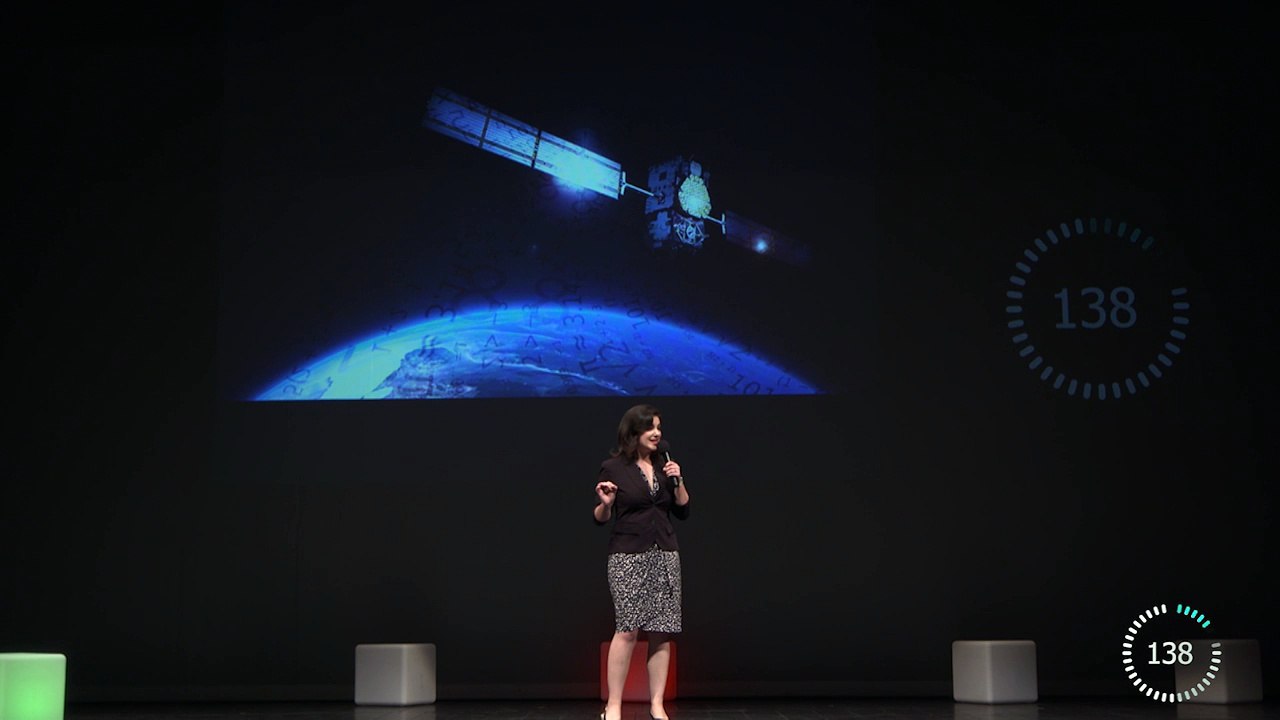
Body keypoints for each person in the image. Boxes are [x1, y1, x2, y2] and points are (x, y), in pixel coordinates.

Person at [594, 403, 691, 720]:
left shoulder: (665, 466)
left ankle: (657, 704)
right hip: (627, 555)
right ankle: (614, 706)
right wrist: (606, 504)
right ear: (633, 433)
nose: (657, 434)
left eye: (659, 428)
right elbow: (601, 518)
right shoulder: (613, 468)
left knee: (662, 630)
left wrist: (678, 480)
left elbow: (682, 509)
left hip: (664, 553)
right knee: (628, 630)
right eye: (651, 428)